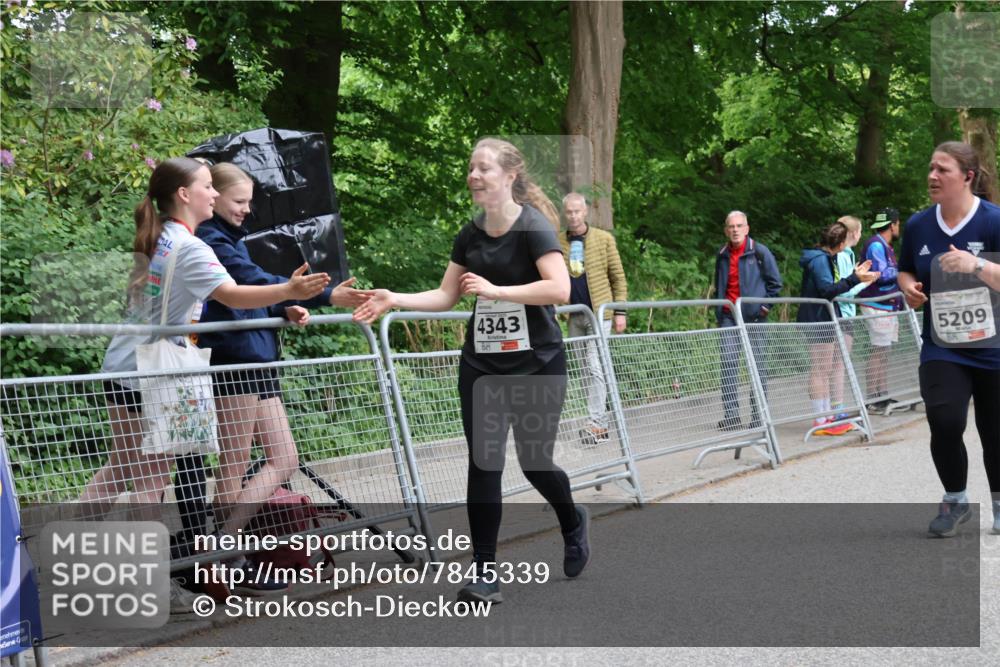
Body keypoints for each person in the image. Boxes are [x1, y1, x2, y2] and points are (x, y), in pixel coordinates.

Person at [81, 157, 330, 607]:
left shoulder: (166, 238)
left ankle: (67, 560)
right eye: (207, 186)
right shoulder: (188, 246)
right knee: (148, 479)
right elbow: (231, 294)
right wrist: (289, 292)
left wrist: (282, 300)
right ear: (184, 195)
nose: (214, 193)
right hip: (149, 371)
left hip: (128, 365)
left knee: (122, 470)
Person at [354, 138, 590, 603]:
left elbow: (560, 289)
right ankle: (485, 574)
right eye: (471, 168)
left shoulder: (533, 227)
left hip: (538, 364)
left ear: (508, 177)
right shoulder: (471, 232)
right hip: (482, 364)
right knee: (484, 464)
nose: (474, 176)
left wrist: (498, 291)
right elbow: (446, 296)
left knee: (535, 462)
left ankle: (571, 518)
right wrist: (393, 298)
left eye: (483, 168)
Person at [167, 162, 369, 594]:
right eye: (239, 202)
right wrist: (320, 294)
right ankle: (227, 557)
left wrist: (283, 308)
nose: (247, 210)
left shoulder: (228, 238)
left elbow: (255, 292)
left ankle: (224, 547)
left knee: (284, 456)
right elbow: (246, 284)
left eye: (249, 202)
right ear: (212, 197)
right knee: (232, 468)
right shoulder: (207, 239)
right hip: (234, 359)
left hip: (256, 357)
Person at [897, 141, 1000, 537]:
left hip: (993, 346)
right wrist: (909, 288)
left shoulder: (992, 220)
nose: (932, 176)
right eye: (931, 168)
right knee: (945, 420)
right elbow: (905, 269)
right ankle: (955, 501)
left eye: (943, 170)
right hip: (943, 346)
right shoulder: (919, 225)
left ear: (968, 177)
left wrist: (976, 264)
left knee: (995, 432)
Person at [558, 192, 628, 445]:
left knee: (595, 366)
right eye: (569, 212)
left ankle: (596, 423)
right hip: (574, 314)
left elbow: (617, 277)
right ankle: (601, 422)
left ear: (585, 212)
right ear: (565, 213)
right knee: (585, 369)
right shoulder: (558, 242)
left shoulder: (603, 239)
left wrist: (620, 311)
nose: (574, 216)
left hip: (600, 314)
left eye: (578, 211)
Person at [798, 222, 879, 436]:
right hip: (816, 318)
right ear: (842, 243)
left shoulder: (825, 258)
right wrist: (855, 279)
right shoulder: (819, 260)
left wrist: (854, 277)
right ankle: (820, 419)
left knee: (824, 368)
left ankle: (827, 418)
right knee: (819, 368)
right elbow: (827, 290)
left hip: (824, 317)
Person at [713, 211, 783, 431]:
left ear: (747, 228)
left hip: (754, 318)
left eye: (739, 226)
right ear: (726, 230)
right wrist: (719, 310)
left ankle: (758, 415)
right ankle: (732, 416)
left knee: (757, 367)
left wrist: (764, 308)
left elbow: (775, 284)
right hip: (728, 317)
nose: (735, 230)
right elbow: (719, 285)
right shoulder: (722, 254)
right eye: (731, 226)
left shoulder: (759, 252)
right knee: (728, 364)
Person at [857, 207, 904, 412]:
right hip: (875, 303)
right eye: (898, 223)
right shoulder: (876, 244)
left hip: (888, 304)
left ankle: (882, 394)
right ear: (892, 224)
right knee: (878, 349)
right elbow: (881, 274)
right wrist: (905, 270)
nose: (899, 227)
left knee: (885, 350)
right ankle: (872, 398)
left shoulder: (886, 245)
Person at [829, 215, 867, 430]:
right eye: (860, 230)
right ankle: (836, 409)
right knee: (839, 364)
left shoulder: (846, 254)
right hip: (842, 312)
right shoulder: (843, 255)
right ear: (854, 233)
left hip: (844, 313)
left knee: (838, 363)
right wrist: (866, 281)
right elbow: (846, 288)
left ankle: (836, 408)